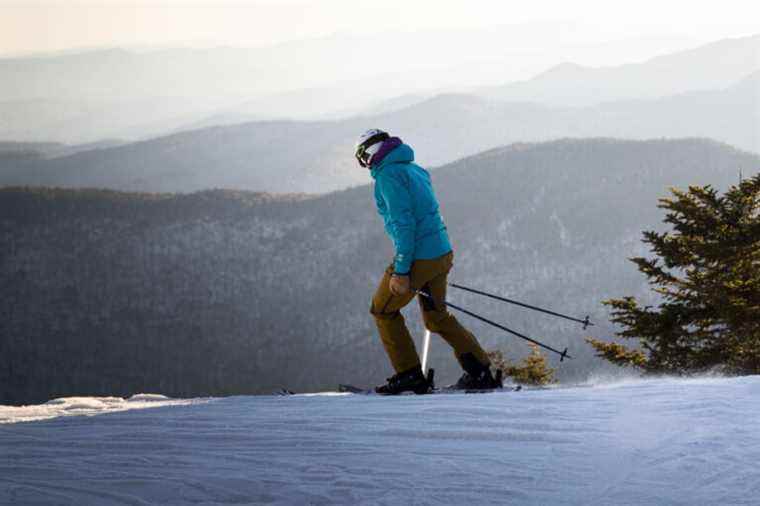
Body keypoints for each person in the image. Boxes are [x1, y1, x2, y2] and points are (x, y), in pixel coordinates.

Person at [355, 129, 501, 394]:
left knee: (382, 310)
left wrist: (401, 270)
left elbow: (404, 224)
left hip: (418, 257)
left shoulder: (388, 176)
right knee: (437, 317)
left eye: (363, 155)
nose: (363, 162)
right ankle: (480, 371)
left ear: (373, 151)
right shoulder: (416, 169)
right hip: (440, 253)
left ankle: (409, 374)